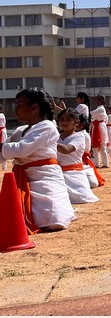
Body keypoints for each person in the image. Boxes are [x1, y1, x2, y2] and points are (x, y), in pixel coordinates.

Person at [0, 88, 76, 233]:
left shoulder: (47, 127)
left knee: (52, 219)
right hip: (23, 180)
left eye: (19, 105)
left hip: (44, 180)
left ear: (34, 108)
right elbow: (5, 153)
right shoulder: (20, 130)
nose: (15, 109)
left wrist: (1, 146)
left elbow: (21, 149)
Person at [56, 107, 100, 204]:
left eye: (68, 120)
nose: (64, 122)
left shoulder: (79, 136)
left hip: (74, 174)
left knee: (82, 196)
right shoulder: (56, 136)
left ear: (76, 122)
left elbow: (67, 150)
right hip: (57, 173)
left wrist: (48, 141)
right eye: (62, 119)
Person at [89, 94, 110, 168]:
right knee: (95, 147)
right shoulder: (100, 108)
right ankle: (97, 163)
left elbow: (91, 113)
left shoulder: (101, 109)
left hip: (100, 127)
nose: (96, 101)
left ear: (102, 100)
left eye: (98, 99)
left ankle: (105, 163)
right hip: (97, 127)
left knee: (102, 146)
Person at [0, 106, 7, 171]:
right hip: (1, 131)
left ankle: (4, 166)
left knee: (3, 147)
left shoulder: (1, 115)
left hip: (2, 132)